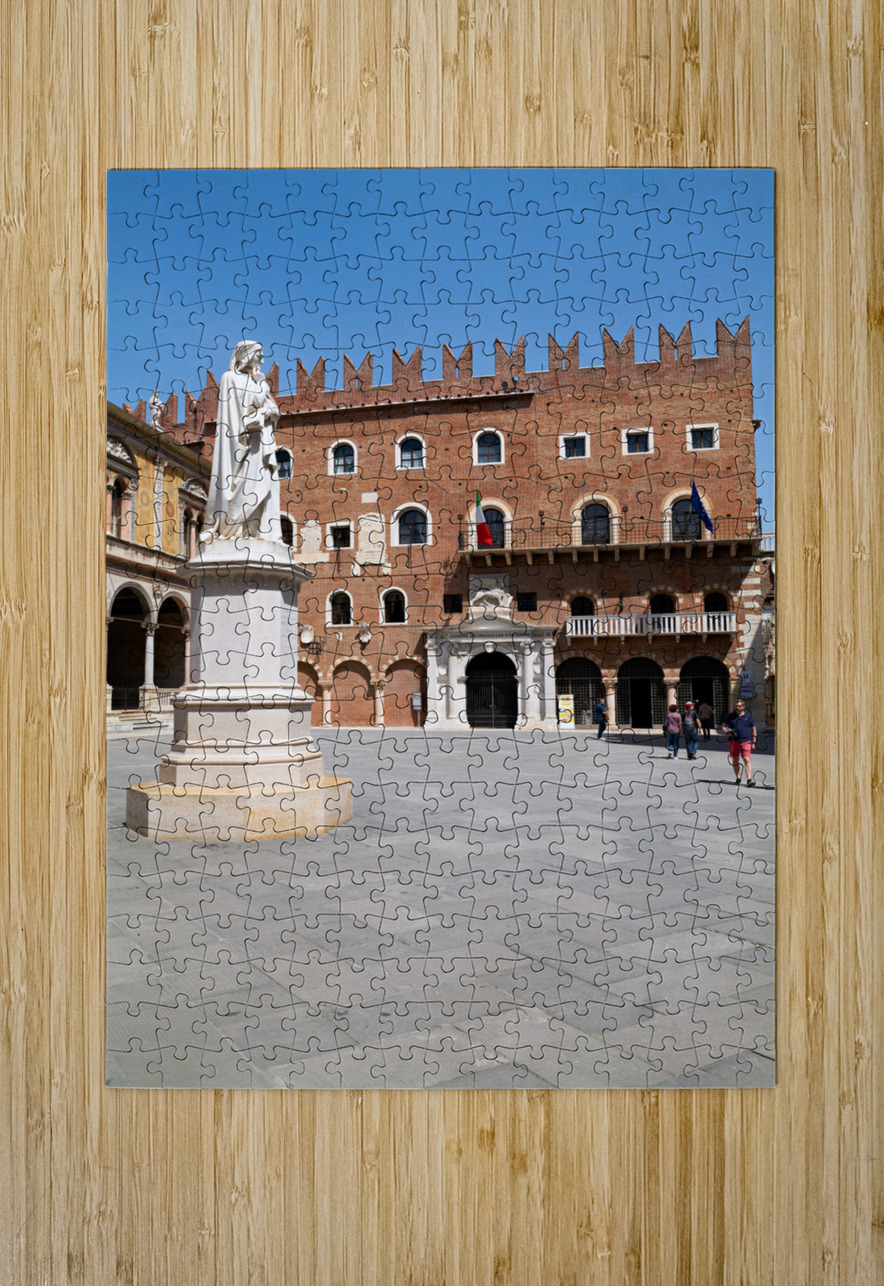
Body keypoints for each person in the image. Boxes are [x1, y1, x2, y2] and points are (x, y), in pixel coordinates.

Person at [201, 340, 282, 544]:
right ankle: (234, 529)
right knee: (244, 487)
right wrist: (259, 414)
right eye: (259, 354)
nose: (262, 359)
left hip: (260, 444)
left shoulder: (259, 381)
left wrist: (267, 408)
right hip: (240, 444)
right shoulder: (229, 378)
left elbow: (274, 410)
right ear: (246, 355)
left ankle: (261, 532)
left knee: (265, 485)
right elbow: (233, 416)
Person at [722, 699, 757, 785]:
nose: (737, 707)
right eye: (736, 706)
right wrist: (727, 732)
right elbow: (723, 726)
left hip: (746, 741)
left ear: (743, 707)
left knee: (746, 759)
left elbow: (753, 729)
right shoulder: (730, 716)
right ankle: (738, 778)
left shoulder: (748, 716)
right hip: (733, 742)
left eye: (739, 706)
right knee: (735, 760)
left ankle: (749, 779)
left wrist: (754, 742)